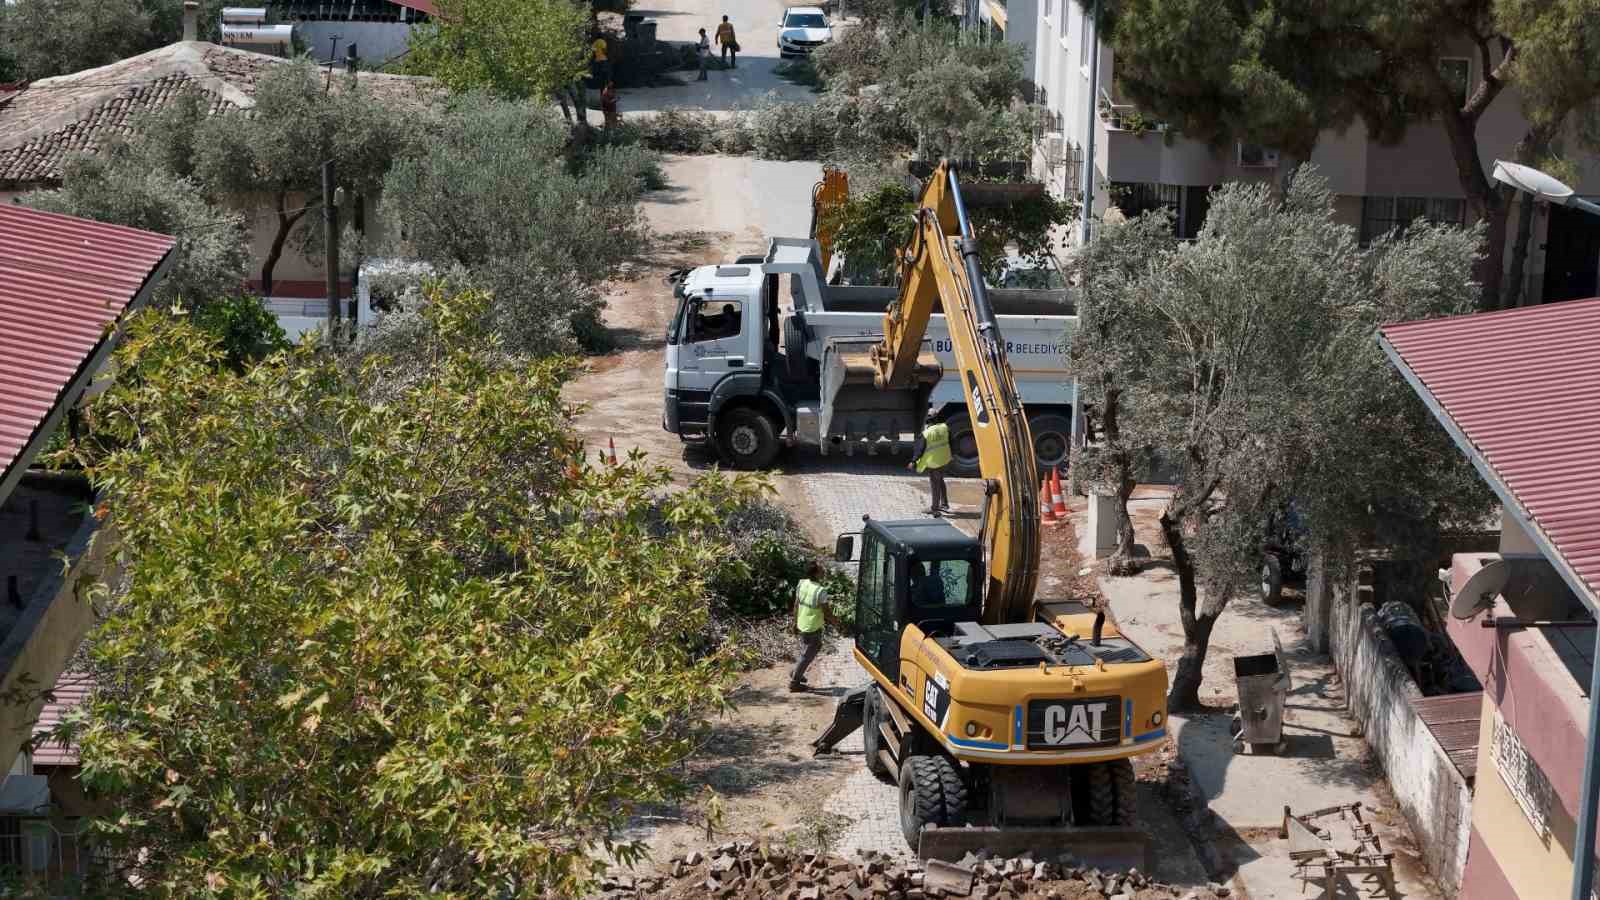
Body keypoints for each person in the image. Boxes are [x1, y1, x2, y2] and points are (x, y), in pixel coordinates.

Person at [790, 562, 829, 692]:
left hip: (802, 624)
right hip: (813, 627)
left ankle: (796, 672)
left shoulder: (802, 584)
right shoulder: (820, 591)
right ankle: (795, 682)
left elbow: (796, 605)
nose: (824, 570)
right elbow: (827, 612)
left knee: (806, 651)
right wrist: (838, 623)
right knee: (808, 655)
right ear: (816, 573)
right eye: (821, 569)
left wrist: (795, 623)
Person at [909, 409, 951, 516]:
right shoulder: (944, 427)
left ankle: (934, 508)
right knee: (941, 480)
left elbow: (919, 450)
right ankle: (944, 504)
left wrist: (913, 461)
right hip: (944, 459)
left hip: (934, 462)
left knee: (935, 484)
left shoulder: (926, 434)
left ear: (928, 421)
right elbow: (951, 441)